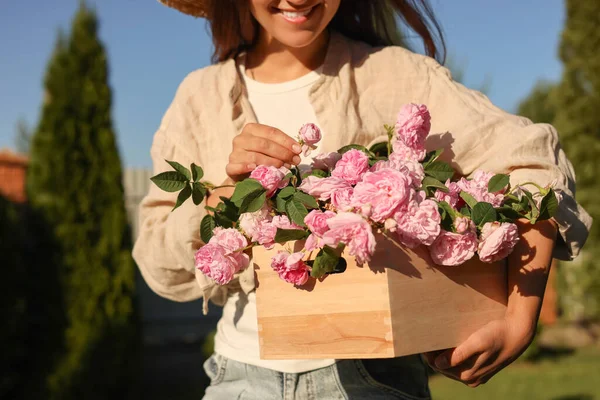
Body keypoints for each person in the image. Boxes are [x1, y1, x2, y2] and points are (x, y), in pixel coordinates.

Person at [133, 1, 591, 399]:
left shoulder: (395, 76)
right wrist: (218, 199)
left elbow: (533, 163)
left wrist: (520, 318)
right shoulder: (200, 97)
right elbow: (157, 261)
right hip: (239, 380)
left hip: (375, 381)